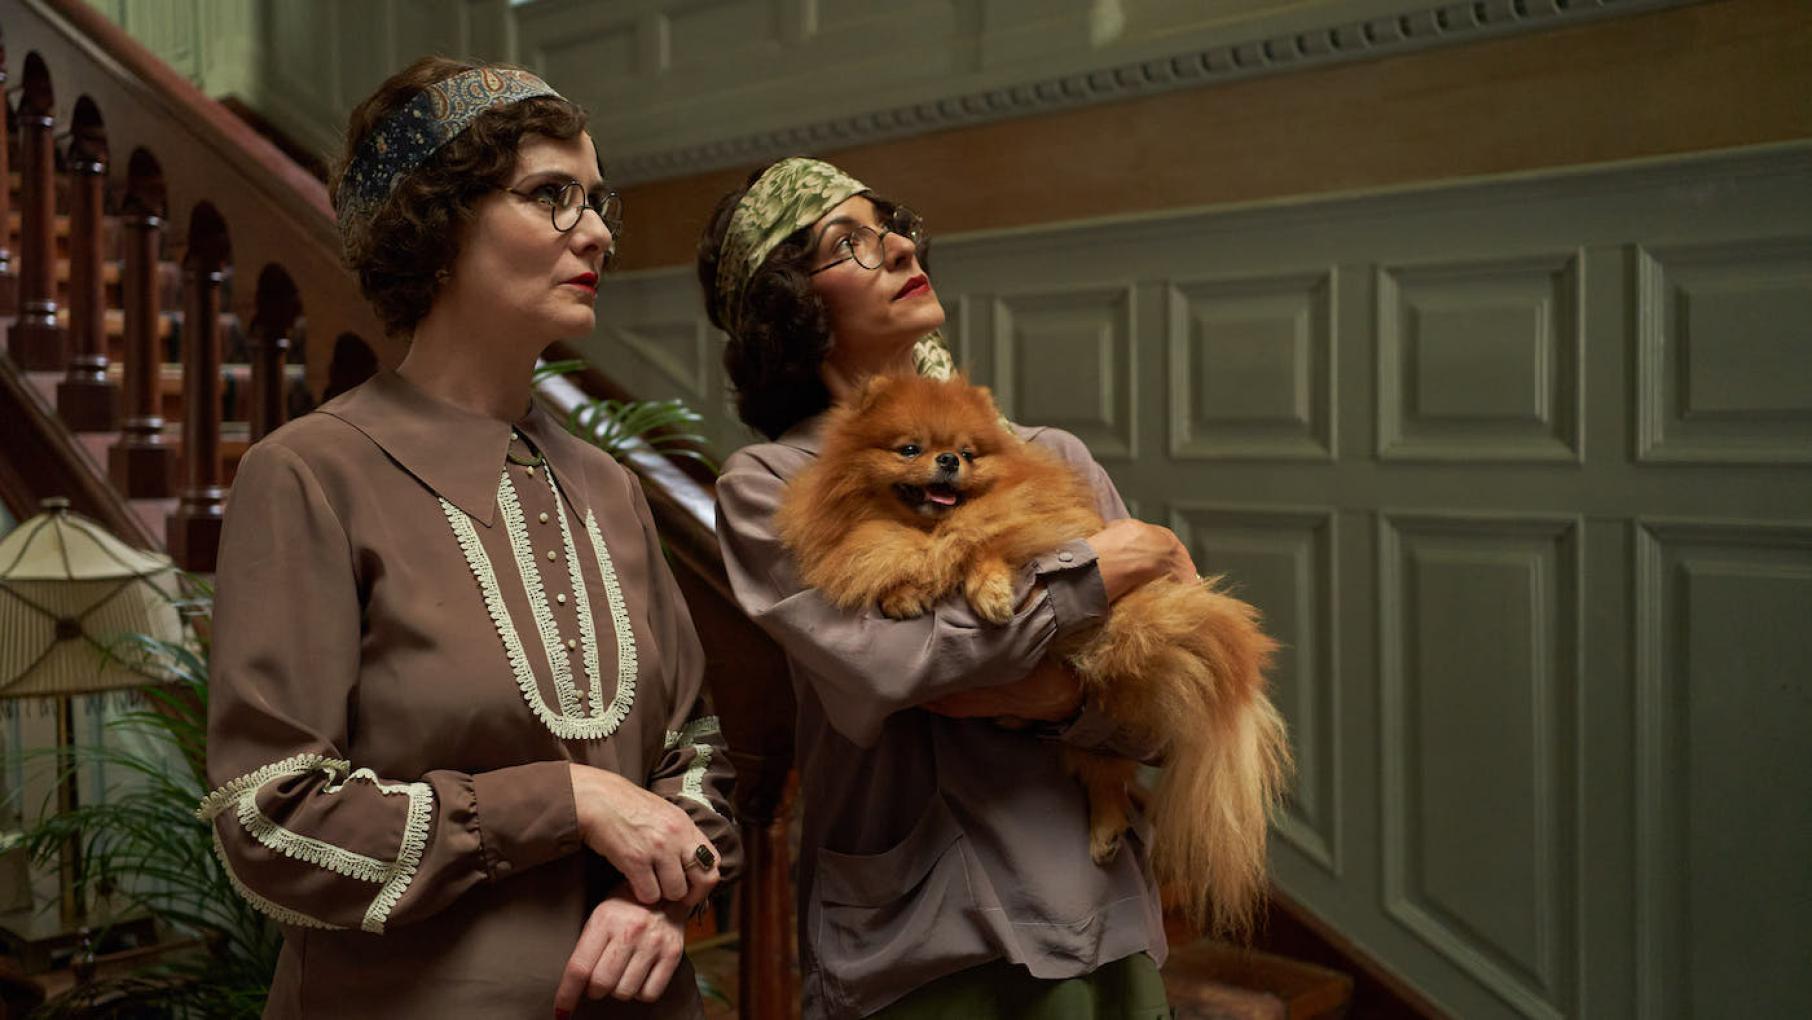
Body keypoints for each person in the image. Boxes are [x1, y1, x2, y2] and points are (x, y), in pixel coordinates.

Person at [201, 58, 738, 1019]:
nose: (601, 232)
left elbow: (692, 751)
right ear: (436, 224)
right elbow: (270, 818)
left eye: (598, 199)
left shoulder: (609, 484)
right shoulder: (311, 474)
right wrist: (564, 800)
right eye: (552, 196)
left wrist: (657, 895)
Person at [702, 157, 1199, 1018]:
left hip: (1101, 911)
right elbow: (892, 670)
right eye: (846, 243)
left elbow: (1168, 718)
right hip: (926, 938)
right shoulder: (772, 484)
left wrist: (1054, 699)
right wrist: (1094, 572)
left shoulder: (1054, 458)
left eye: (890, 224)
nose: (896, 246)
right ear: (787, 303)